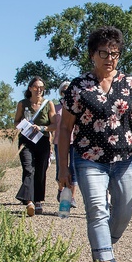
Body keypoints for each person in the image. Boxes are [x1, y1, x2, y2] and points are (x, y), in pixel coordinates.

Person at [58, 26, 132, 262]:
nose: (110, 58)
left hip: (125, 158)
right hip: (89, 158)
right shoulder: (79, 87)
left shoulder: (130, 84)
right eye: (104, 53)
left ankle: (104, 245)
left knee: (124, 211)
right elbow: (65, 128)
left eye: (115, 53)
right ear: (92, 55)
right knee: (97, 210)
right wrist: (63, 168)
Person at [14, 76, 56, 216]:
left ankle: (38, 200)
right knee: (28, 168)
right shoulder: (22, 104)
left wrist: (42, 128)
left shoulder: (48, 104)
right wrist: (24, 126)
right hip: (26, 141)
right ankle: (29, 201)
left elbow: (54, 124)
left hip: (42, 140)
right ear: (30, 88)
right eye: (36, 87)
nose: (39, 90)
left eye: (41, 87)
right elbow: (16, 122)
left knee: (40, 170)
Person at [51, 80, 77, 209]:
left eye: (69, 90)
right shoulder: (56, 108)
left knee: (73, 167)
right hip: (59, 141)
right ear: (61, 92)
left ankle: (71, 197)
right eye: (64, 90)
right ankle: (61, 189)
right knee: (61, 167)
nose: (66, 92)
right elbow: (52, 125)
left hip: (74, 142)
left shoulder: (76, 107)